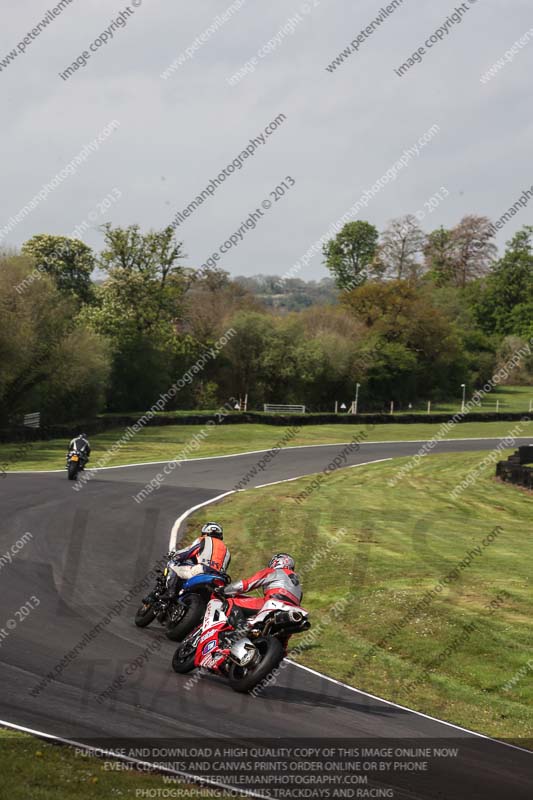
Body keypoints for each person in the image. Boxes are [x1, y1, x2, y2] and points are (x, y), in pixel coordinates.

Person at [222, 553, 302, 632]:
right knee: (285, 635)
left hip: (273, 602)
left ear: (276, 561)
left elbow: (245, 585)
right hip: (295, 610)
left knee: (231, 602)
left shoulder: (273, 571)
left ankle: (240, 631)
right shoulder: (298, 583)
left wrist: (224, 590)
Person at [161, 522, 230, 602]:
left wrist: (175, 556)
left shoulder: (203, 540)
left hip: (202, 570)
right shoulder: (227, 551)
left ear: (205, 533)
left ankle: (170, 593)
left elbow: (188, 552)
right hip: (220, 578)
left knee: (173, 565)